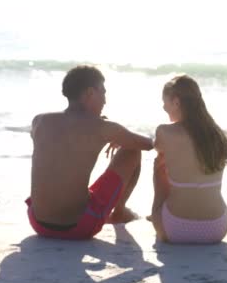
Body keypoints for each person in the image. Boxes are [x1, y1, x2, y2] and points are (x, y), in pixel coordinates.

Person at [26, 65, 153, 240]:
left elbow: (64, 142)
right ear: (89, 93)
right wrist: (114, 134)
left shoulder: (40, 121)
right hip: (78, 227)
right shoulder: (103, 128)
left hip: (37, 223)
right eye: (103, 93)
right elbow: (148, 144)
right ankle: (119, 212)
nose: (105, 101)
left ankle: (116, 211)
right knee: (133, 151)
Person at [150, 75, 227, 243]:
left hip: (174, 228)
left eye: (165, 102)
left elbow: (157, 147)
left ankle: (156, 213)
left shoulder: (164, 131)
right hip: (217, 228)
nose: (163, 107)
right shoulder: (218, 134)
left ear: (176, 102)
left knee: (160, 164)